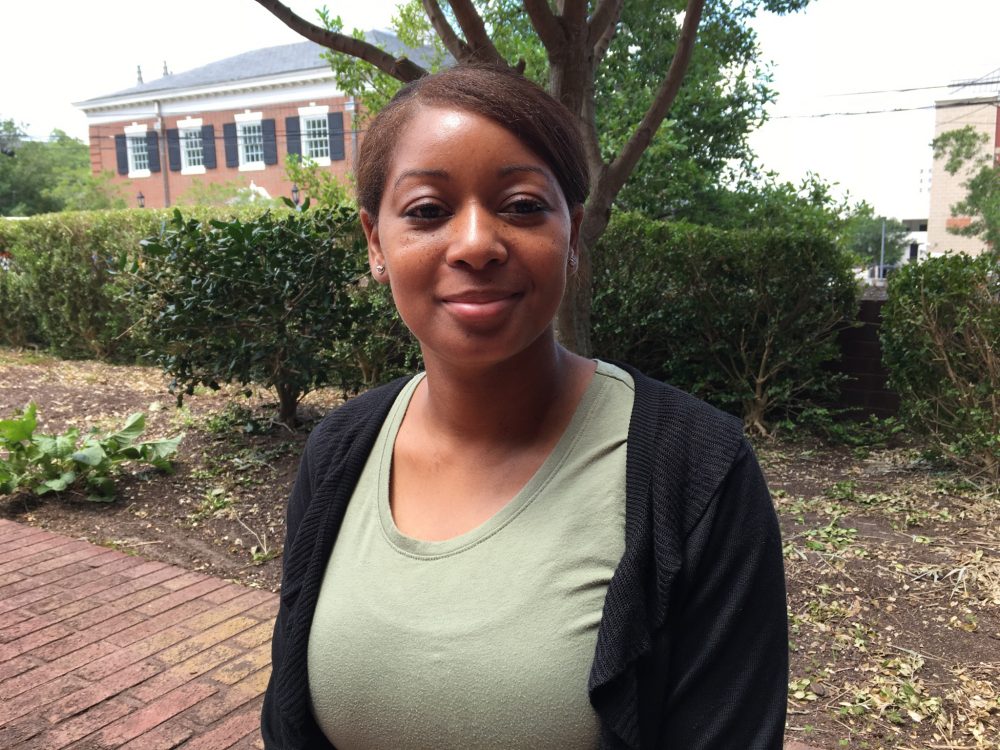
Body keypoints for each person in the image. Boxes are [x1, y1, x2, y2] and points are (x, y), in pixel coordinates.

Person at [261, 64, 787, 750]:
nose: (477, 243)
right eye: (427, 211)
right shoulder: (339, 452)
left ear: (572, 232)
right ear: (375, 243)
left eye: (522, 206)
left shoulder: (698, 471)